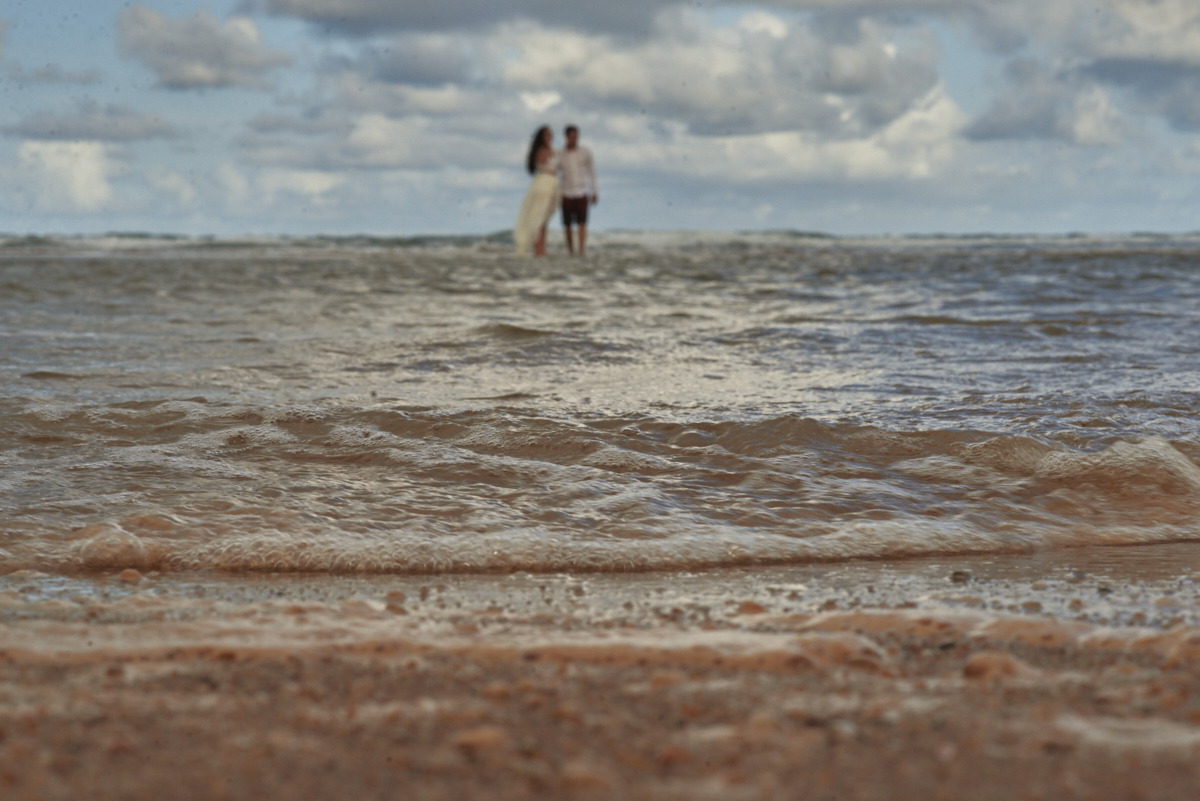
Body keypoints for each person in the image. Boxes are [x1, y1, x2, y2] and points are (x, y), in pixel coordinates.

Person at [513, 126, 561, 257]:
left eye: (550, 134)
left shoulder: (553, 149)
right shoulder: (541, 150)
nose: (548, 136)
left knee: (544, 218)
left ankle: (541, 248)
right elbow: (543, 161)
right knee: (538, 217)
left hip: (552, 184)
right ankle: (538, 249)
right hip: (543, 184)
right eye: (546, 134)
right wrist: (547, 148)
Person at [558, 125, 598, 256]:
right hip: (566, 193)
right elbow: (555, 173)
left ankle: (581, 251)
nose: (574, 139)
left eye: (576, 136)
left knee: (582, 223)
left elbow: (591, 171)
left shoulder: (585, 152)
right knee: (567, 225)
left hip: (581, 191)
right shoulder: (560, 153)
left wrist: (594, 191)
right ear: (566, 137)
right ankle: (571, 250)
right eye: (572, 136)